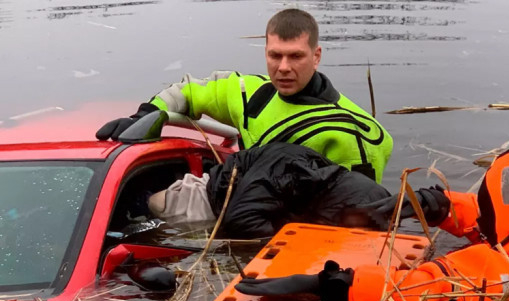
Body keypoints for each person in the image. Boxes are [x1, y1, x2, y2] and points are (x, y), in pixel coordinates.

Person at [235, 143, 509, 301]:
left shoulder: (495, 275)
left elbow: (414, 290)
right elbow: (507, 221)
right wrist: (438, 204)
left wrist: (325, 284)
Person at [95, 8, 393, 183]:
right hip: (247, 199)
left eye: (295, 57)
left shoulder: (355, 134)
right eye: (275, 55)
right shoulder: (248, 93)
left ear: (316, 56)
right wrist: (145, 114)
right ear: (265, 52)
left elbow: (357, 213)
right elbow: (186, 93)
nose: (284, 68)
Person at [147, 142, 409, 239]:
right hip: (206, 202)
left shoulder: (325, 188)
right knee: (156, 205)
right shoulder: (286, 170)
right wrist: (292, 240)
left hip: (248, 199)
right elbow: (239, 221)